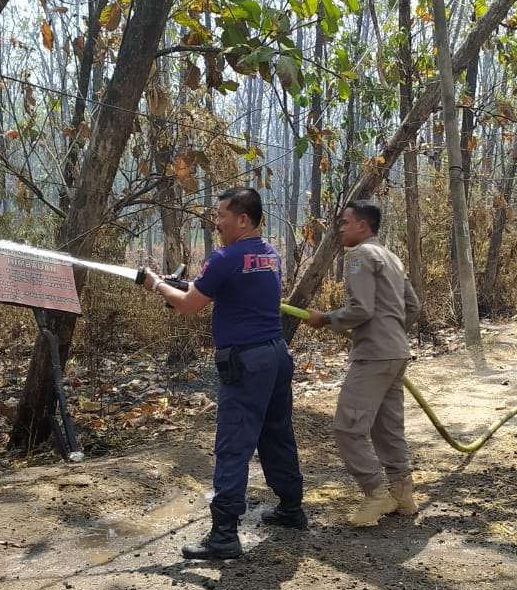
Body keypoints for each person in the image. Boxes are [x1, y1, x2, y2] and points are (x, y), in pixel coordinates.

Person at [141, 187, 305, 559]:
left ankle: (223, 536)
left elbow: (188, 307)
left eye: (221, 217)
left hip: (246, 363)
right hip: (276, 356)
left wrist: (155, 284)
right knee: (277, 434)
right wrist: (184, 285)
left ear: (243, 219)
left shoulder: (225, 257)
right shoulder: (268, 254)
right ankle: (292, 509)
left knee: (233, 444)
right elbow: (230, 290)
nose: (216, 224)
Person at [304, 200, 420, 526]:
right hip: (396, 353)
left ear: (363, 226)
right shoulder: (391, 258)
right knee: (388, 429)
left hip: (374, 355)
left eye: (344, 222)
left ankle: (376, 494)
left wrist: (325, 318)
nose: (340, 228)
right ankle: (403, 495)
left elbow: (361, 310)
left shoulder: (359, 256)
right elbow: (413, 305)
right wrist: (392, 332)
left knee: (347, 429)